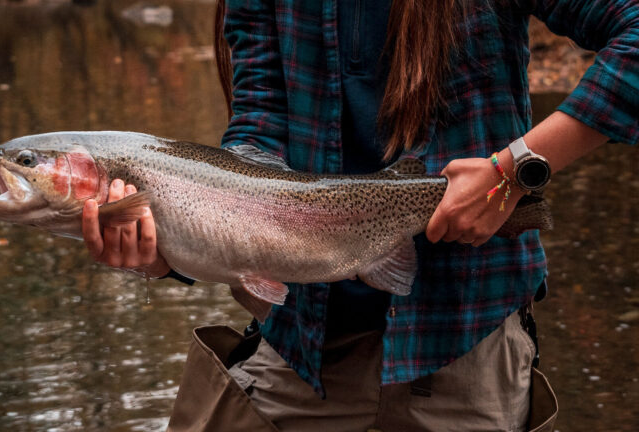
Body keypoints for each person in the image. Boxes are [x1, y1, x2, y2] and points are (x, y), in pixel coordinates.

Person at [82, 0, 638, 430]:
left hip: (466, 331)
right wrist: (168, 248)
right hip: (303, 341)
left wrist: (513, 171)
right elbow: (256, 136)